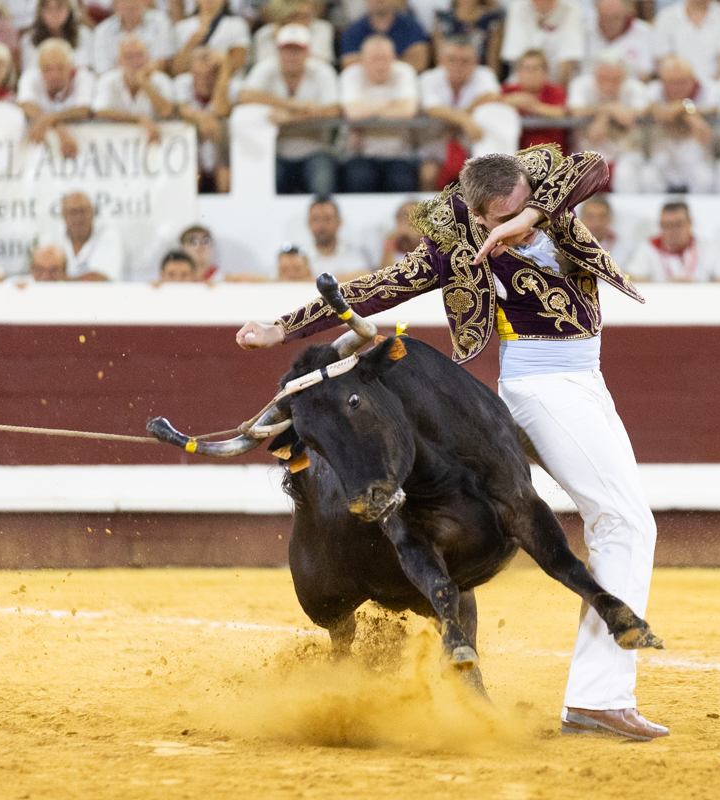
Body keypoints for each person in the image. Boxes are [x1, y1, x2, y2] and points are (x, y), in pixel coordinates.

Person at [236, 148, 669, 743]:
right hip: (544, 386)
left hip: (583, 379)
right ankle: (598, 698)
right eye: (498, 218)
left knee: (623, 522)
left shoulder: (550, 193)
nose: (512, 223)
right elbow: (378, 288)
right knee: (624, 523)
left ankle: (594, 695)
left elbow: (596, 166)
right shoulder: (457, 241)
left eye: (520, 206)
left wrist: (528, 217)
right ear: (476, 213)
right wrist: (283, 327)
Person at [238, 22, 340, 195]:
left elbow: (334, 110)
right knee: (264, 181)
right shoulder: (266, 68)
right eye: (287, 50)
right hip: (276, 153)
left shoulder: (322, 71)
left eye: (297, 50)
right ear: (278, 51)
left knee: (322, 180)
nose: (291, 56)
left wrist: (290, 117)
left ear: (307, 52)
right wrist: (292, 105)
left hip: (315, 151)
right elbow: (245, 96)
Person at [418, 37, 503, 190]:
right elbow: (432, 108)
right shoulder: (429, 78)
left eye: (465, 61)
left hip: (474, 141)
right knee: (428, 175)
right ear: (441, 60)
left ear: (475, 62)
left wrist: (457, 116)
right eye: (451, 59)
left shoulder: (484, 74)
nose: (458, 65)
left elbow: (492, 96)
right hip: (437, 139)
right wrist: (465, 119)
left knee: (489, 174)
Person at [339, 35, 419, 193]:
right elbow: (353, 113)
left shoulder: (404, 71)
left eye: (385, 59)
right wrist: (391, 104)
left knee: (401, 181)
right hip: (360, 154)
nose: (380, 65)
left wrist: (368, 110)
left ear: (394, 58)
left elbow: (408, 111)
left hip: (399, 155)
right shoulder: (350, 75)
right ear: (362, 60)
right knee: (359, 179)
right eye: (374, 59)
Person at [567, 50, 650, 193]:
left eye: (615, 79)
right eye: (603, 78)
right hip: (588, 151)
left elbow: (635, 114)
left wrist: (602, 116)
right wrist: (608, 110)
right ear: (594, 75)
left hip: (626, 153)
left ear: (624, 77)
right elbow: (576, 111)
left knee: (627, 173)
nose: (608, 85)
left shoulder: (635, 87)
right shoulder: (581, 85)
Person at [643, 55, 720, 193]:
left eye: (681, 82)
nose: (676, 87)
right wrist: (686, 111)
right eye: (671, 82)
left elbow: (710, 116)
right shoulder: (654, 90)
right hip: (663, 155)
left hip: (697, 157)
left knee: (705, 178)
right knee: (648, 176)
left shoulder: (709, 90)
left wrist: (685, 107)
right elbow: (658, 112)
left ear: (692, 80)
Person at [18, 38, 95, 160]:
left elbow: (84, 109)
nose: (54, 75)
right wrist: (60, 128)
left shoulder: (83, 76)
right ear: (39, 67)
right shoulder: (30, 76)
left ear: (70, 65)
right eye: (47, 68)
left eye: (60, 67)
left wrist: (49, 119)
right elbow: (26, 105)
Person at [627, 199, 720, 281]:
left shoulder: (707, 247)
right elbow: (628, 279)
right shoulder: (649, 249)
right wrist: (666, 289)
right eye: (666, 225)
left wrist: (697, 288)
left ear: (690, 223)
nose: (671, 230)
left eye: (677, 224)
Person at [174, 46, 234, 192]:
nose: (203, 80)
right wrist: (203, 118)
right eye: (198, 75)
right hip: (196, 161)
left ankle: (224, 200)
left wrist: (225, 67)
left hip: (219, 160)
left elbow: (221, 110)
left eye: (209, 75)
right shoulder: (183, 83)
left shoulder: (226, 85)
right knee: (188, 130)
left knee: (222, 127)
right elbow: (182, 109)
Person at [93, 36, 175, 143]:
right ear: (119, 62)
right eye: (128, 57)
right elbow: (99, 112)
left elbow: (167, 112)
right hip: (117, 146)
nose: (135, 62)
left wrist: (145, 83)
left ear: (148, 59)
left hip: (155, 146)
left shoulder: (162, 81)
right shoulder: (107, 81)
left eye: (139, 55)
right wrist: (139, 119)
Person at [653, 0, 720, 83]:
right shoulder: (665, 17)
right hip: (677, 85)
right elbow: (663, 63)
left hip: (716, 87)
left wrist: (705, 91)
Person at [500, 0, 584, 86]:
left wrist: (557, 92)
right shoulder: (518, 7)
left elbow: (568, 58)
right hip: (524, 79)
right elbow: (517, 57)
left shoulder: (570, 7)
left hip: (558, 81)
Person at [500, 49, 567, 152]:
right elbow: (492, 105)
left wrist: (532, 105)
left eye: (535, 69)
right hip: (515, 152)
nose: (530, 74)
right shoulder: (508, 91)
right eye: (527, 69)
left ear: (545, 72)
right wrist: (510, 100)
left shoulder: (555, 91)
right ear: (518, 73)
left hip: (550, 153)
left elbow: (561, 112)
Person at [340, 0, 429, 73]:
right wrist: (399, 59)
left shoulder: (412, 26)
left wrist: (371, 60)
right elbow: (349, 66)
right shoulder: (352, 31)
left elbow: (419, 63)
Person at [92, 0, 174, 75]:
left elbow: (163, 61)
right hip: (117, 82)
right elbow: (102, 69)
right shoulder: (102, 30)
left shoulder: (160, 21)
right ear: (115, 4)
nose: (129, 4)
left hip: (151, 78)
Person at [54, 191, 124, 280]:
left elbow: (100, 279)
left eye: (83, 211)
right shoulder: (53, 236)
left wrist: (59, 280)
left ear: (93, 212)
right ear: (63, 215)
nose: (78, 218)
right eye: (72, 212)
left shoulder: (108, 234)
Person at [170, 0, 250, 76]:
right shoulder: (181, 27)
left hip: (224, 80)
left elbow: (237, 64)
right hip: (190, 80)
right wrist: (191, 43)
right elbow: (176, 70)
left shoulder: (237, 25)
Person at [584, 0, 656, 82]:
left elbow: (645, 74)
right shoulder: (586, 32)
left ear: (626, 14)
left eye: (615, 17)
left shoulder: (644, 32)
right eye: (604, 17)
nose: (609, 23)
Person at [21, 0, 95, 75]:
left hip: (73, 81)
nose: (54, 13)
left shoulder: (83, 34)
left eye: (59, 8)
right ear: (40, 11)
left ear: (68, 10)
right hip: (42, 83)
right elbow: (30, 71)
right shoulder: (29, 39)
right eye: (48, 9)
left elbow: (86, 66)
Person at [252, 0, 335, 66]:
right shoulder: (265, 33)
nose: (302, 22)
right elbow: (263, 67)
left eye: (306, 16)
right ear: (283, 17)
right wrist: (280, 40)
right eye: (295, 16)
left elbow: (323, 65)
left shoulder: (322, 28)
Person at [303, 195, 369, 277]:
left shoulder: (355, 252)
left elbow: (365, 277)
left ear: (339, 222)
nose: (321, 225)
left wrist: (313, 281)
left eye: (327, 219)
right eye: (316, 219)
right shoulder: (301, 257)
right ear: (308, 223)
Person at [432, 0, 504, 76]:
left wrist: (490, 80)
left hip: (480, 74)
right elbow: (440, 58)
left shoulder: (492, 20)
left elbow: (493, 58)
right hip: (449, 75)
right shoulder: (443, 19)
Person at [579, 194, 635, 267]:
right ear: (580, 220)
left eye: (601, 217)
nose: (596, 224)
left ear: (610, 219)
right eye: (590, 217)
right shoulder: (567, 248)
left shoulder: (624, 249)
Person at [379, 199, 420, 268]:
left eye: (409, 216)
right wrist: (390, 242)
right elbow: (384, 274)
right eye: (400, 216)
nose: (404, 221)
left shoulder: (431, 244)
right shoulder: (390, 241)